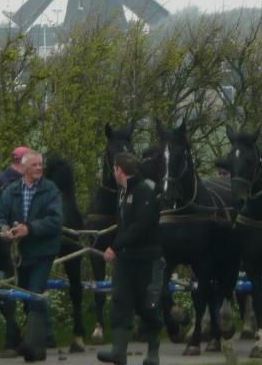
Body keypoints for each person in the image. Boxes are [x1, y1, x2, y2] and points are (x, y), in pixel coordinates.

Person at [0, 148, 64, 359]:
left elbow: (55, 220)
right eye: (35, 165)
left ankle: (35, 348)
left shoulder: (51, 190)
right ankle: (38, 338)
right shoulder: (11, 191)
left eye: (41, 165)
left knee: (34, 292)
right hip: (21, 253)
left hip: (43, 251)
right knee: (25, 294)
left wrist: (29, 229)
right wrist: (3, 229)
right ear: (24, 168)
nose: (39, 168)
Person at [97, 152, 164, 365]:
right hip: (126, 261)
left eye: (114, 169)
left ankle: (153, 352)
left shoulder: (145, 190)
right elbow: (124, 225)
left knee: (149, 305)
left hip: (146, 259)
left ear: (119, 170)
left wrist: (115, 247)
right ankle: (119, 351)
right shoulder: (123, 192)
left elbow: (141, 225)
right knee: (120, 302)